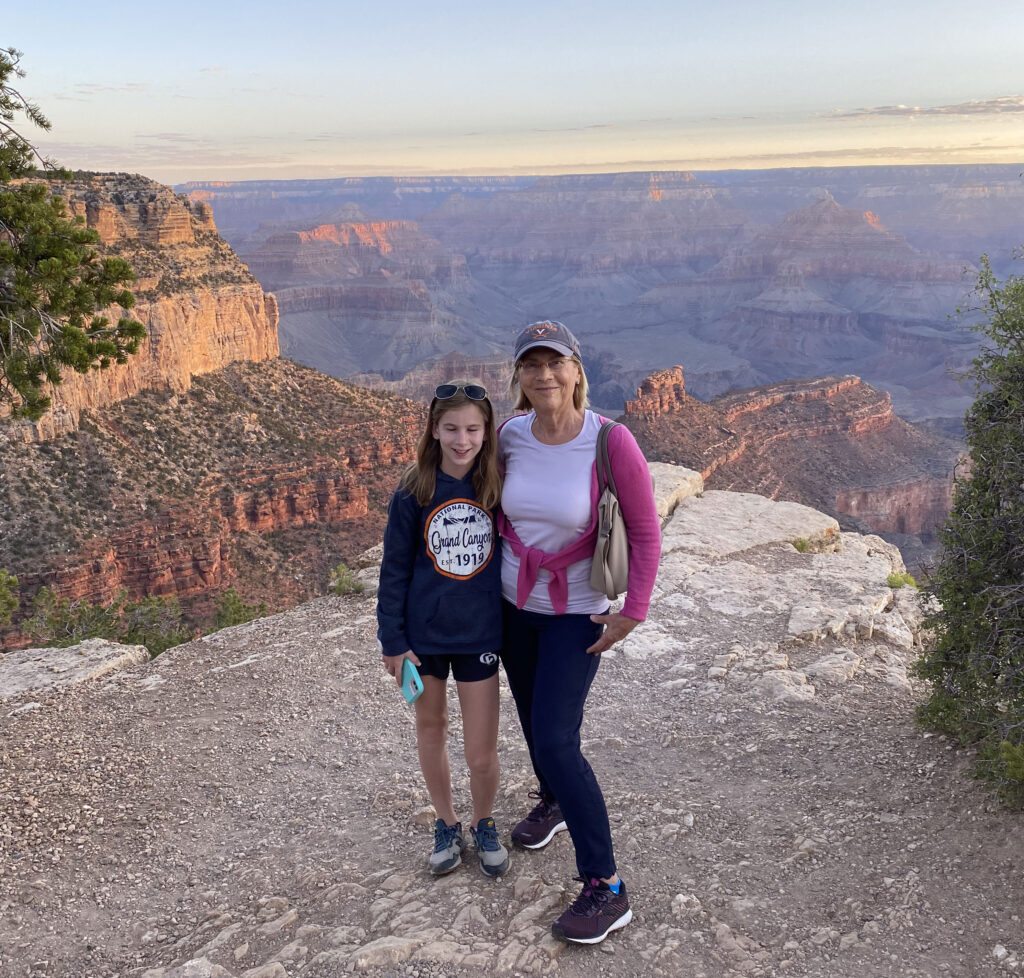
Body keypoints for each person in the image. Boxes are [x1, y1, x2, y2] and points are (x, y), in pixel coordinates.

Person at [498, 321, 660, 944]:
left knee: (557, 739)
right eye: (531, 364)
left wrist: (632, 610)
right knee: (533, 718)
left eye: (554, 363)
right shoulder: (511, 435)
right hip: (513, 605)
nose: (543, 375)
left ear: (575, 371)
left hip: (577, 611)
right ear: (519, 375)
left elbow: (644, 533)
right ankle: (554, 800)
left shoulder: (609, 442)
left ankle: (606, 887)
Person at [377, 382, 509, 878]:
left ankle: (484, 820)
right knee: (430, 729)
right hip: (423, 638)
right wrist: (393, 641)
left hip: (479, 636)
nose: (462, 439)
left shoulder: (495, 486)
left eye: (472, 429)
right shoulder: (414, 490)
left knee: (481, 750)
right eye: (451, 428)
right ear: (434, 430)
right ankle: (446, 823)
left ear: (485, 432)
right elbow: (394, 572)